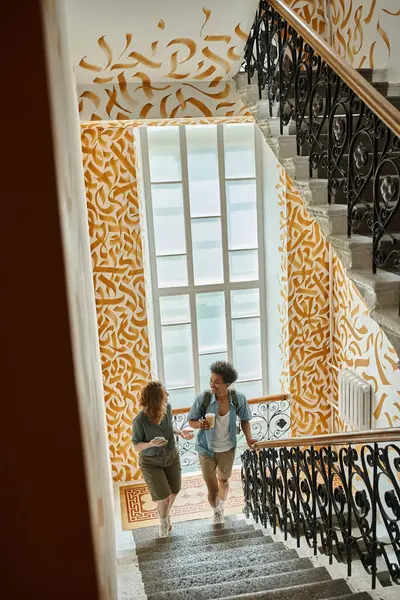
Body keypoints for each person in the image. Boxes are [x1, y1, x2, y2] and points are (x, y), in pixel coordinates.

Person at [188, 361, 256, 524]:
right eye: (211, 380)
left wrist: (249, 438)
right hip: (206, 449)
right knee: (212, 489)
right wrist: (200, 424)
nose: (212, 385)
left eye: (216, 382)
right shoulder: (203, 399)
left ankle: (222, 505)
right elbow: (191, 421)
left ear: (227, 384)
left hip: (227, 448)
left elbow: (245, 420)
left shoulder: (238, 399)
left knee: (224, 481)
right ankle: (217, 512)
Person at [132, 380, 193, 538]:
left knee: (174, 492)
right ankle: (163, 523)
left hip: (171, 456)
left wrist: (181, 433)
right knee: (164, 498)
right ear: (156, 399)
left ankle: (164, 514)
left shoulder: (168, 408)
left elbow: (169, 427)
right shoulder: (140, 420)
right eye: (164, 393)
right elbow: (136, 446)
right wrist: (150, 444)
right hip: (151, 462)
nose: (168, 395)